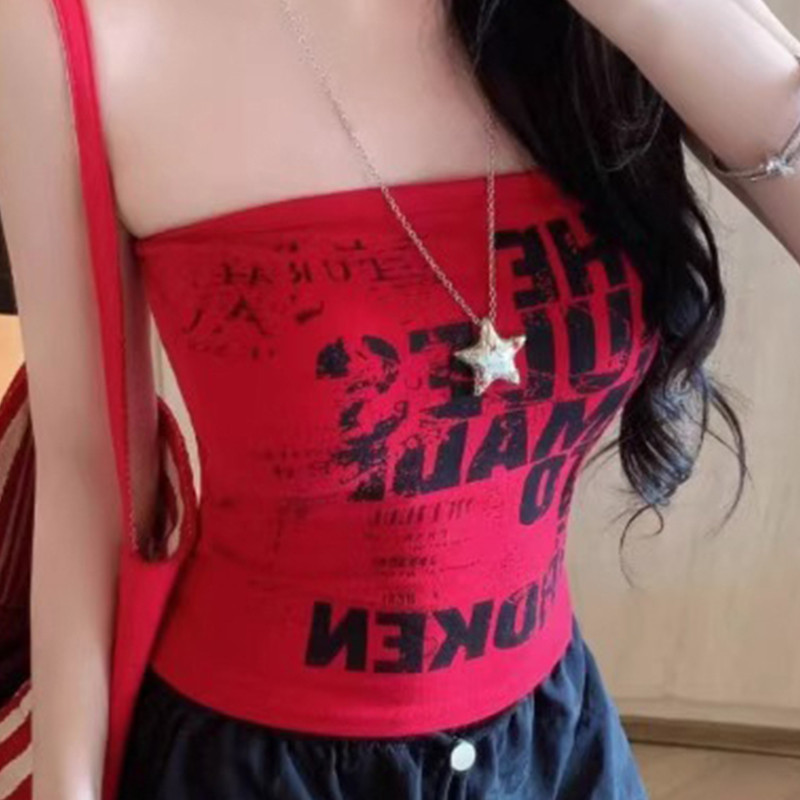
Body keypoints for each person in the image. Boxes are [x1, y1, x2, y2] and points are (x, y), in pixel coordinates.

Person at [1, 0, 799, 798]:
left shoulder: (576, 32)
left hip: (552, 740)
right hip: (259, 764)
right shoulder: (76, 31)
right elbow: (88, 471)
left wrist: (663, 20)